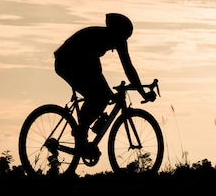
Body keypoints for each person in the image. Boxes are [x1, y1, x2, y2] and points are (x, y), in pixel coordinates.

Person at [53, 13, 156, 157]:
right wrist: (111, 93)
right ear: (116, 32)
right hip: (68, 62)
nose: (124, 41)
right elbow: (93, 69)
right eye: (124, 36)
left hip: (76, 62)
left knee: (100, 96)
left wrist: (142, 93)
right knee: (98, 97)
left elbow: (128, 68)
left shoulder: (115, 39)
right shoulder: (98, 37)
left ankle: (81, 133)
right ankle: (81, 133)